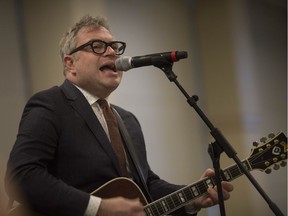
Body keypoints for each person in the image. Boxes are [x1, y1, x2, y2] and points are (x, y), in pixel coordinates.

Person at [5, 15, 233, 216]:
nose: (112, 52)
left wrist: (190, 199)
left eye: (115, 46)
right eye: (97, 46)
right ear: (70, 63)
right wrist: (98, 208)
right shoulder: (51, 104)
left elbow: (146, 185)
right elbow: (22, 176)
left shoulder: (128, 120)